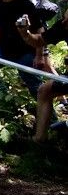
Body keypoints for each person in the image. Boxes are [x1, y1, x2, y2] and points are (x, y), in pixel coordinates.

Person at [17, 9, 68, 142]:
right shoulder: (64, 25)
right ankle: (40, 139)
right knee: (45, 90)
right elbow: (39, 40)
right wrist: (25, 33)